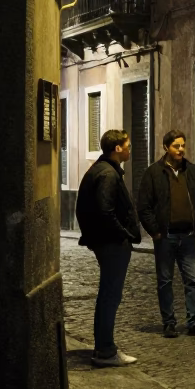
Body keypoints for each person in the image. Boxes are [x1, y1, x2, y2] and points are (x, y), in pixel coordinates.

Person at [137, 129, 195, 338]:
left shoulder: (192, 171)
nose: (180, 150)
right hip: (166, 236)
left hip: (188, 236)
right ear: (166, 147)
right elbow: (144, 205)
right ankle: (169, 323)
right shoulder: (154, 173)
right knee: (165, 281)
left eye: (182, 145)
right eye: (176, 146)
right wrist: (155, 231)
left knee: (193, 280)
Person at [76, 128, 141, 367]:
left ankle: (105, 347)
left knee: (109, 295)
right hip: (111, 243)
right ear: (117, 148)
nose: (130, 150)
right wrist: (123, 235)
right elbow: (106, 211)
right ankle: (105, 351)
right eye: (128, 146)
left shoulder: (101, 169)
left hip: (105, 241)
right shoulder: (108, 174)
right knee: (110, 296)